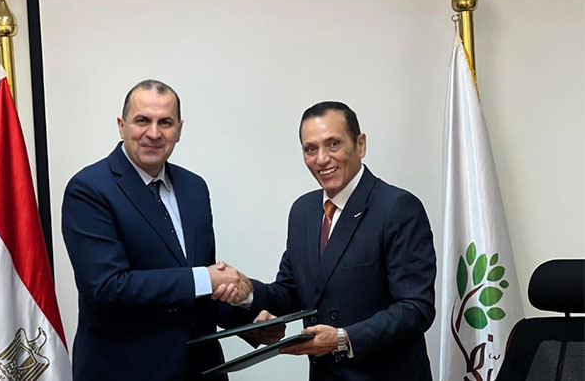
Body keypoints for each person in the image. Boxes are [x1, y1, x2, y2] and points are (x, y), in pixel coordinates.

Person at [61, 80, 253, 381]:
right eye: (142, 121)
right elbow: (107, 288)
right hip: (124, 373)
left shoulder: (194, 188)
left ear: (179, 129)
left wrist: (250, 320)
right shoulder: (88, 189)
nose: (153, 133)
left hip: (201, 369)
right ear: (121, 126)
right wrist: (206, 277)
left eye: (165, 122)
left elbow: (197, 291)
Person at [249, 101, 436, 380]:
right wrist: (247, 294)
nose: (322, 159)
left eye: (333, 144)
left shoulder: (397, 207)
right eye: (311, 149)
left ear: (360, 145)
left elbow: (416, 308)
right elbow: (291, 291)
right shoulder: (303, 211)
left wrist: (342, 338)